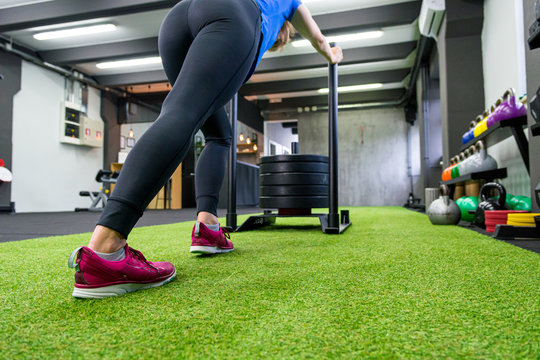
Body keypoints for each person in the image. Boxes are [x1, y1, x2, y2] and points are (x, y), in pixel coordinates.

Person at [68, 0, 344, 299]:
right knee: (182, 114)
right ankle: (106, 250)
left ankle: (208, 225)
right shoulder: (285, 5)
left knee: (217, 132)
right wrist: (332, 55)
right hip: (233, 15)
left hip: (181, 17)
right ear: (283, 34)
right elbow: (318, 38)